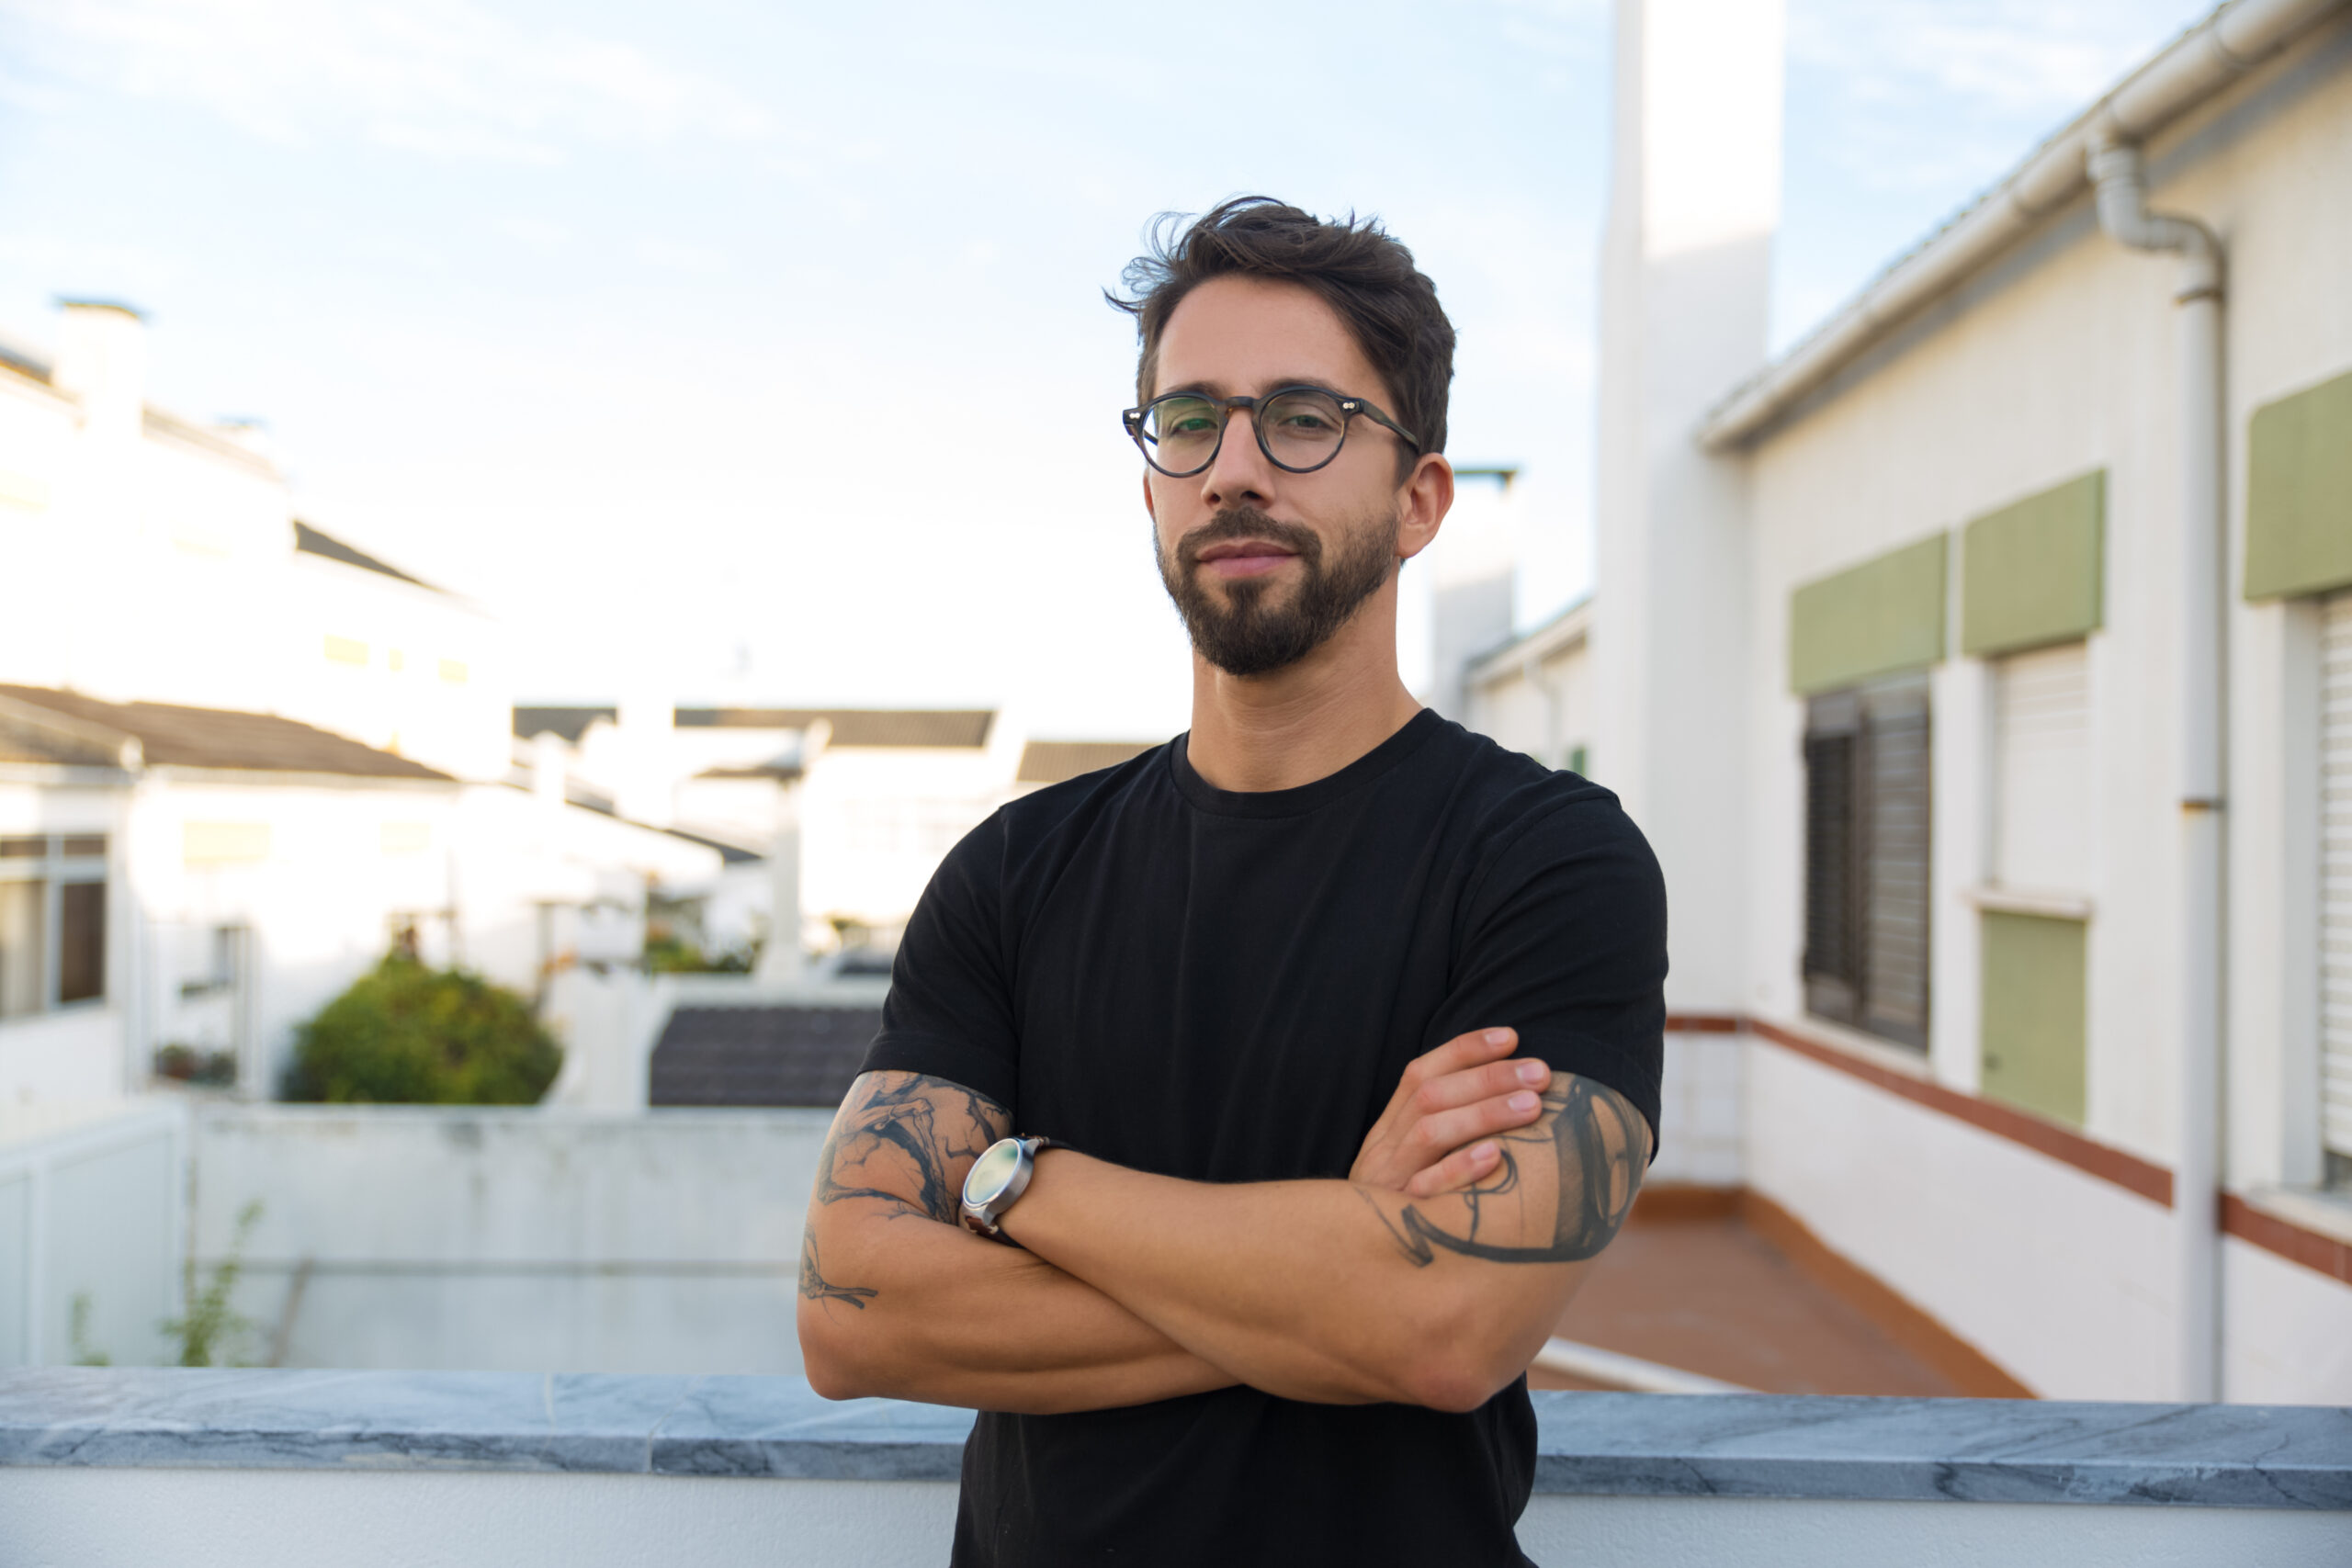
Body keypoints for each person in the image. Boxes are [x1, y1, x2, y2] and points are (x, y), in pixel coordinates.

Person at [797, 196, 1667, 1566]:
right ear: (1151, 484)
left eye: (1305, 418)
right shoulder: (1014, 871)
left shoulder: (1546, 861)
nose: (1234, 470)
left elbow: (1444, 1330)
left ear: (1420, 500)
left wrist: (1017, 1186)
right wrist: (1340, 1268)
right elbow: (851, 1319)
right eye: (1189, 421)